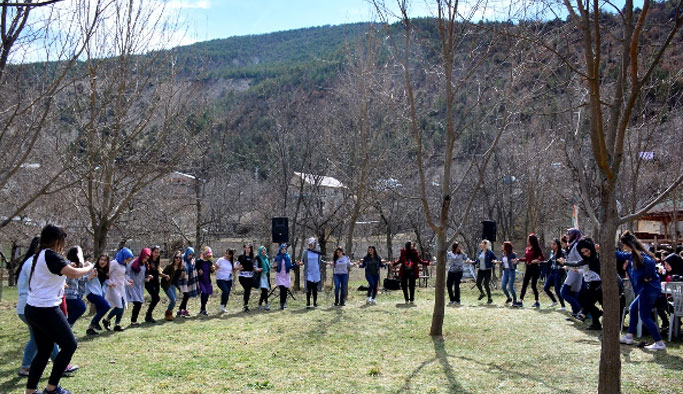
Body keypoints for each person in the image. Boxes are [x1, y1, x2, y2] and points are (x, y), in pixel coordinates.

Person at [23, 224, 93, 394]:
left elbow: (53, 275)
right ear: (56, 240)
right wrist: (90, 266)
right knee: (70, 345)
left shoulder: (39, 254)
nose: (63, 244)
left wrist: (68, 273)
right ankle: (52, 388)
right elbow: (74, 274)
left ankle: (30, 391)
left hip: (33, 309)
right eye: (62, 240)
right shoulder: (50, 255)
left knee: (44, 351)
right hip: (46, 310)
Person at [16, 236, 64, 378]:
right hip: (32, 307)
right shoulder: (35, 262)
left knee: (42, 337)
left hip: (27, 307)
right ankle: (27, 367)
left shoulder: (32, 261)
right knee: (42, 337)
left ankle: (58, 364)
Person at [617, 231, 666, 351]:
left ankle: (659, 342)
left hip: (648, 289)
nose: (623, 247)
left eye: (623, 245)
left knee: (645, 316)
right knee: (633, 309)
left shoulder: (640, 256)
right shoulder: (632, 255)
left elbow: (650, 263)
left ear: (628, 244)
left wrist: (647, 276)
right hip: (646, 289)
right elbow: (620, 255)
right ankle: (629, 336)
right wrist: (602, 250)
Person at [562, 237, 603, 330]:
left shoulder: (597, 255)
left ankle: (583, 315)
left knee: (588, 300)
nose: (586, 254)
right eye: (583, 253)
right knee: (583, 299)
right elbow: (577, 264)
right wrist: (565, 263)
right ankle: (595, 319)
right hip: (588, 281)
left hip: (598, 283)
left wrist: (600, 252)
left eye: (587, 251)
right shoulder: (586, 260)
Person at [103, 247, 134, 332]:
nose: (127, 261)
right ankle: (106, 320)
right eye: (127, 259)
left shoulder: (123, 265)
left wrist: (128, 283)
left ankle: (117, 324)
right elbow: (106, 274)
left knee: (122, 306)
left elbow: (122, 277)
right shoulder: (114, 263)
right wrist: (109, 283)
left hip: (121, 288)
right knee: (119, 307)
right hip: (113, 288)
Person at [559, 229, 584, 318]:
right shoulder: (571, 245)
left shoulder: (576, 245)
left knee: (564, 292)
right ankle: (575, 313)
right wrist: (565, 262)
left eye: (569, 234)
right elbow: (572, 259)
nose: (567, 236)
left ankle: (579, 308)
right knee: (573, 293)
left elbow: (580, 260)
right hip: (571, 271)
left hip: (576, 272)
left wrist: (575, 268)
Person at [84, 255, 111, 336]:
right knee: (106, 306)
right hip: (91, 293)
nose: (102, 262)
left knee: (100, 310)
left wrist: (109, 282)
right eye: (101, 259)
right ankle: (94, 323)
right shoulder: (93, 268)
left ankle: (90, 329)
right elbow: (84, 276)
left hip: (98, 293)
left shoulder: (104, 271)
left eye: (105, 260)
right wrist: (90, 275)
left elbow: (103, 282)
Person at [126, 248, 152, 327]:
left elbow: (142, 277)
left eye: (147, 259)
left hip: (139, 286)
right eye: (145, 258)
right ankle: (133, 322)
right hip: (132, 286)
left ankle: (134, 321)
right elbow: (127, 273)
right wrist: (127, 281)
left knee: (138, 304)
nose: (145, 260)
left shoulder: (145, 265)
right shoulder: (134, 263)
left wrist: (148, 278)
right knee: (137, 304)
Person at [518, 233, 545, 308]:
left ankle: (537, 302)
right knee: (524, 284)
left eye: (528, 240)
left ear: (532, 240)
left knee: (533, 285)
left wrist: (537, 260)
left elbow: (542, 258)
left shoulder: (537, 248)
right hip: (528, 268)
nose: (527, 241)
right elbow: (526, 259)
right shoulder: (527, 248)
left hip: (535, 268)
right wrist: (518, 259)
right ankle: (520, 301)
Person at [64, 246, 88, 326]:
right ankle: (66, 329)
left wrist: (90, 276)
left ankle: (66, 333)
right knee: (81, 308)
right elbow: (63, 280)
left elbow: (80, 280)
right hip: (67, 295)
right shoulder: (67, 264)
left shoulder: (78, 266)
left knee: (70, 315)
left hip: (74, 294)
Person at [299, 238, 323, 309]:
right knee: (308, 288)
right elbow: (302, 261)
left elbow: (320, 261)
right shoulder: (306, 252)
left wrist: (328, 263)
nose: (310, 246)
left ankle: (315, 302)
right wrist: (300, 263)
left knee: (315, 289)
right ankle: (308, 303)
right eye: (309, 245)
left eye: (312, 245)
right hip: (309, 272)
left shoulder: (318, 253)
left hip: (316, 272)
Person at [176, 247, 200, 317]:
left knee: (187, 295)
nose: (190, 256)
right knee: (186, 295)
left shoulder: (192, 260)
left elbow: (193, 269)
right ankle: (181, 309)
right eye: (189, 254)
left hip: (189, 280)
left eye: (192, 254)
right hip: (181, 281)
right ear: (187, 253)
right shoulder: (181, 259)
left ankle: (181, 310)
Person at [544, 239, 566, 309]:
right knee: (546, 287)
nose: (552, 245)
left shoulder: (562, 252)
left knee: (557, 290)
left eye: (554, 244)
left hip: (559, 271)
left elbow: (565, 261)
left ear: (558, 245)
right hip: (552, 271)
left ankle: (563, 306)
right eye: (552, 244)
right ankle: (554, 301)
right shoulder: (552, 252)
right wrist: (541, 262)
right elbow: (549, 261)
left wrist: (563, 265)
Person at [160, 251, 183, 321]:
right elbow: (162, 274)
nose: (178, 259)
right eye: (176, 257)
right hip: (166, 285)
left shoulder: (179, 269)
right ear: (174, 258)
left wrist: (179, 288)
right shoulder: (169, 266)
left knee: (174, 300)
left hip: (172, 285)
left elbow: (176, 280)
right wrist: (166, 276)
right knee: (173, 300)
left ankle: (169, 314)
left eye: (179, 258)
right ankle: (168, 314)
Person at [144, 246, 162, 323]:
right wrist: (147, 276)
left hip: (156, 282)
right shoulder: (148, 260)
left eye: (158, 252)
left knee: (155, 299)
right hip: (149, 282)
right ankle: (148, 314)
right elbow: (144, 271)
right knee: (156, 298)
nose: (157, 254)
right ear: (152, 252)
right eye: (155, 252)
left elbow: (157, 270)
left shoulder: (157, 260)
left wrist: (162, 274)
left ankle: (148, 315)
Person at [497, 241, 518, 306]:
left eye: (503, 245)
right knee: (503, 286)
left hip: (511, 271)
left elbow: (517, 262)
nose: (502, 246)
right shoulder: (503, 254)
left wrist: (515, 262)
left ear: (507, 247)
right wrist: (497, 262)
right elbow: (504, 262)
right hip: (505, 271)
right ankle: (509, 298)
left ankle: (515, 301)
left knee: (510, 287)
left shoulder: (512, 254)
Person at [196, 246, 215, 316]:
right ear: (204, 254)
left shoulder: (210, 262)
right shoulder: (199, 261)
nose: (208, 257)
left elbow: (211, 271)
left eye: (209, 256)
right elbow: (195, 270)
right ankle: (203, 308)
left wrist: (212, 269)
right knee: (204, 292)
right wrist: (198, 271)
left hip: (207, 280)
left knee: (207, 294)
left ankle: (203, 307)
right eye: (207, 255)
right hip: (201, 280)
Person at [273, 244, 293, 309]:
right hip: (279, 275)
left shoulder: (288, 257)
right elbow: (274, 267)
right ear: (280, 250)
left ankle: (284, 303)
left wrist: (296, 264)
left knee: (285, 290)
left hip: (286, 275)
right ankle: (282, 303)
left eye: (285, 249)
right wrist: (274, 266)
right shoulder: (277, 257)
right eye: (282, 249)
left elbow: (290, 266)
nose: (284, 250)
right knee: (282, 289)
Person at [236, 244, 255, 312]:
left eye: (248, 248)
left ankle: (246, 304)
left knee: (248, 291)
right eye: (246, 248)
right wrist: (239, 268)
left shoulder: (252, 257)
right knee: (246, 289)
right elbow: (236, 266)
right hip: (242, 276)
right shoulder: (241, 257)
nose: (247, 249)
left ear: (251, 249)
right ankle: (245, 305)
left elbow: (254, 267)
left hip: (250, 277)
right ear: (244, 249)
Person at [215, 249, 235, 313]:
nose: (227, 255)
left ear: (231, 255)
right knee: (225, 291)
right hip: (220, 279)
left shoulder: (231, 262)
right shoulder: (220, 260)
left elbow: (233, 270)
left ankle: (223, 307)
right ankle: (222, 306)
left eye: (228, 254)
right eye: (226, 253)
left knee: (227, 293)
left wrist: (237, 269)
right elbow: (215, 268)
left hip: (229, 280)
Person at [255, 245, 272, 310]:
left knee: (265, 291)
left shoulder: (266, 257)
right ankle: (267, 304)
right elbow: (255, 266)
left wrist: (273, 266)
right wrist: (258, 269)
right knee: (264, 290)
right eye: (262, 251)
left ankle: (260, 304)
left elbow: (269, 266)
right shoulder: (257, 257)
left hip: (266, 276)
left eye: (264, 250)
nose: (263, 252)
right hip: (260, 276)